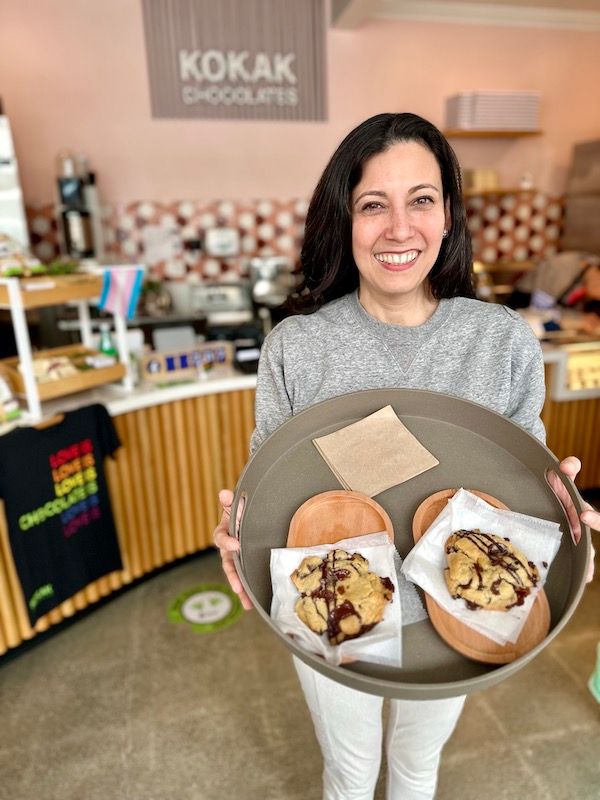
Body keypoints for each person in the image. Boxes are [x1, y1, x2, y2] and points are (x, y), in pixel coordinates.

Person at [213, 112, 595, 800]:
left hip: (455, 617)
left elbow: (523, 477)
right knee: (351, 772)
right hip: (330, 612)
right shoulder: (297, 348)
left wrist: (560, 514)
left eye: (421, 199)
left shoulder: (501, 340)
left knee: (419, 771)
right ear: (344, 220)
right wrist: (239, 529)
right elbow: (265, 483)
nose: (398, 227)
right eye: (372, 205)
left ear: (448, 215)